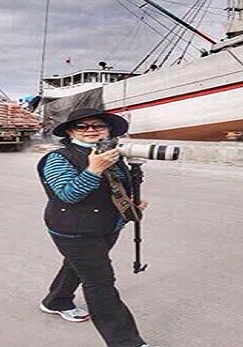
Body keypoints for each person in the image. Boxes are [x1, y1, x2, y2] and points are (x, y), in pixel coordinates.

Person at [36, 108, 157, 347]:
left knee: (76, 264)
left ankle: (56, 301)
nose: (91, 130)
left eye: (98, 125)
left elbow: (113, 187)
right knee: (100, 282)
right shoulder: (58, 158)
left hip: (107, 225)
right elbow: (68, 195)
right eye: (82, 126)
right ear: (70, 131)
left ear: (108, 130)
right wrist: (93, 169)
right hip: (73, 229)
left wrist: (129, 204)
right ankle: (125, 342)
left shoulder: (113, 154)